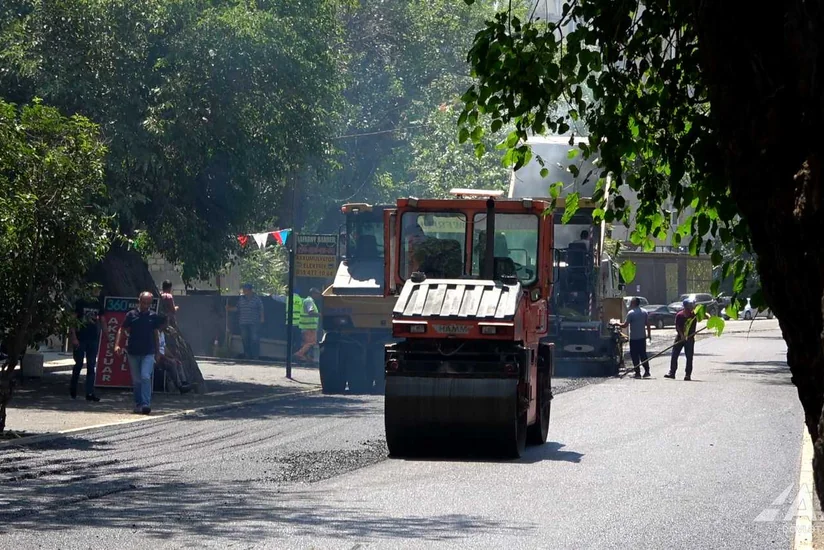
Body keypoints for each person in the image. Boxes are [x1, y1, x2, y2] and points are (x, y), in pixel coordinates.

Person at [114, 292, 163, 414]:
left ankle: (146, 404)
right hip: (133, 352)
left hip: (148, 352)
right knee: (137, 381)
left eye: (148, 303)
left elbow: (156, 335)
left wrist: (158, 352)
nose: (145, 305)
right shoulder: (131, 315)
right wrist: (117, 345)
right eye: (143, 302)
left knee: (145, 376)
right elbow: (121, 329)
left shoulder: (153, 316)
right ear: (139, 301)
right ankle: (138, 403)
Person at [69, 283, 104, 401]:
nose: (98, 292)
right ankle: (73, 388)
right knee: (78, 364)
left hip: (93, 338)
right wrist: (74, 337)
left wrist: (108, 336)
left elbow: (103, 321)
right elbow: (72, 320)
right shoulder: (80, 303)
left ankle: (89, 393)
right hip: (80, 338)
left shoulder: (98, 304)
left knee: (91, 365)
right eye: (96, 290)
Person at [155, 314, 192, 394]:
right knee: (172, 363)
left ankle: (183, 382)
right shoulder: (156, 333)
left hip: (163, 356)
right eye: (167, 322)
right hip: (157, 357)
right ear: (162, 323)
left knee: (178, 362)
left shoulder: (162, 334)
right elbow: (157, 351)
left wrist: (173, 357)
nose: (168, 325)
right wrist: (169, 359)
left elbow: (164, 348)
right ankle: (179, 386)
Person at [226, 283, 265, 360]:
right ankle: (247, 355)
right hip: (243, 322)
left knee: (254, 339)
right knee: (245, 339)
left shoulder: (256, 299)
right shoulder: (241, 299)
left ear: (250, 290)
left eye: (245, 290)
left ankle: (255, 356)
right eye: (243, 290)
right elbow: (237, 308)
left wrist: (262, 318)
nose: (244, 291)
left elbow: (261, 309)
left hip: (254, 322)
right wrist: (229, 308)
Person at [665, 299, 697, 381]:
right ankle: (672, 372)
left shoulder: (693, 316)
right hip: (680, 337)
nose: (691, 307)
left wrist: (690, 335)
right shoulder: (680, 315)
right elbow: (677, 327)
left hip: (689, 338)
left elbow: (693, 328)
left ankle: (688, 375)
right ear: (686, 306)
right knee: (674, 355)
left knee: (689, 357)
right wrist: (682, 335)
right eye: (690, 305)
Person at [621, 297, 652, 378]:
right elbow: (648, 324)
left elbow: (625, 325)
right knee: (643, 354)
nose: (630, 304)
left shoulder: (631, 313)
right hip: (642, 337)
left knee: (634, 355)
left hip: (634, 338)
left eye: (631, 302)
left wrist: (616, 324)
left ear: (634, 303)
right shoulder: (644, 312)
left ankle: (637, 373)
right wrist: (649, 335)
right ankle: (647, 371)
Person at [294, 288, 322, 362]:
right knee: (311, 342)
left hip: (308, 326)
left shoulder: (309, 301)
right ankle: (299, 354)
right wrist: (321, 315)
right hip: (309, 327)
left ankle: (308, 358)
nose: (318, 296)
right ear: (313, 294)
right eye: (317, 294)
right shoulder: (309, 301)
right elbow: (311, 312)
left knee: (307, 343)